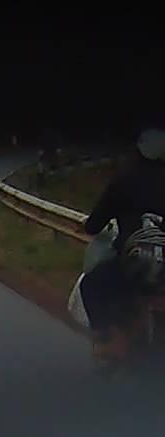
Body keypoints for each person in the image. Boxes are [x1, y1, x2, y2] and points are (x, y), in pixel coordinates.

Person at [79, 126, 165, 360]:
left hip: (134, 265)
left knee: (90, 285)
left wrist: (91, 225)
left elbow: (94, 224)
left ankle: (109, 340)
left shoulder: (125, 179)